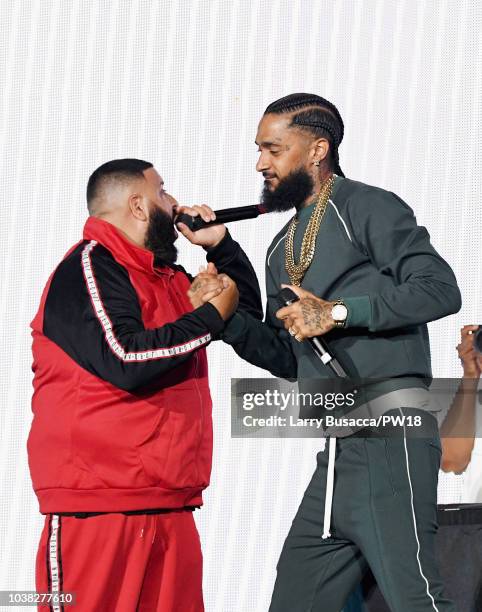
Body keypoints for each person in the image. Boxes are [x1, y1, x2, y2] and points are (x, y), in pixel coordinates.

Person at [219, 94, 462, 611]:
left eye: (273, 149)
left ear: (317, 149)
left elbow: (441, 289)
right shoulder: (278, 245)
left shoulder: (366, 206)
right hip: (336, 449)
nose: (261, 162)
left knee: (417, 600)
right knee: (296, 602)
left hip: (392, 437)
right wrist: (223, 320)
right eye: (259, 150)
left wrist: (338, 313)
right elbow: (286, 357)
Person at [27, 158, 262, 612]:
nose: (175, 204)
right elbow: (125, 358)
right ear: (137, 205)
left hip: (171, 500)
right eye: (163, 192)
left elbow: (243, 319)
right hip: (98, 507)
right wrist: (209, 317)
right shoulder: (90, 268)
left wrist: (223, 248)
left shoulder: (168, 277)